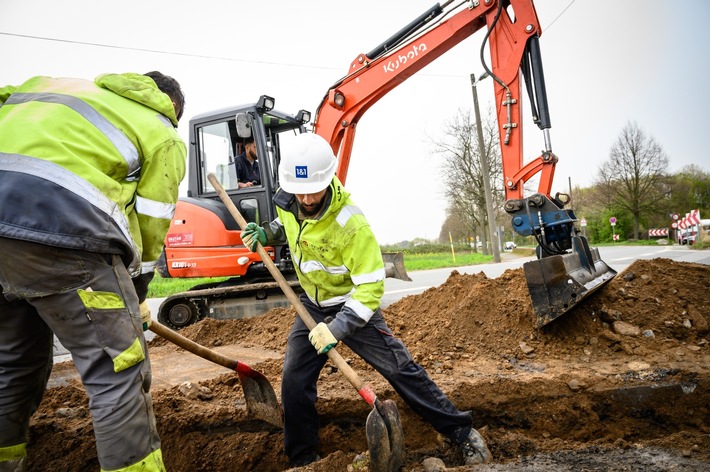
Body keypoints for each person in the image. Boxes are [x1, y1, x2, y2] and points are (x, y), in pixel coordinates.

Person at [240, 133, 493, 468]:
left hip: (352, 306)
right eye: (298, 190)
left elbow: (371, 288)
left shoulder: (352, 225)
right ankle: (304, 459)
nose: (305, 197)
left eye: (313, 189)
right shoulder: (290, 198)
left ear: (328, 179)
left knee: (400, 369)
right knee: (294, 380)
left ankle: (463, 433)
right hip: (311, 305)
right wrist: (266, 233)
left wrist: (337, 328)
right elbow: (286, 224)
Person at [0, 71, 186, 472]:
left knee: (11, 362)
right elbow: (152, 225)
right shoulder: (162, 130)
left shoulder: (49, 87)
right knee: (117, 370)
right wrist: (136, 293)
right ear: (171, 109)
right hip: (61, 232)